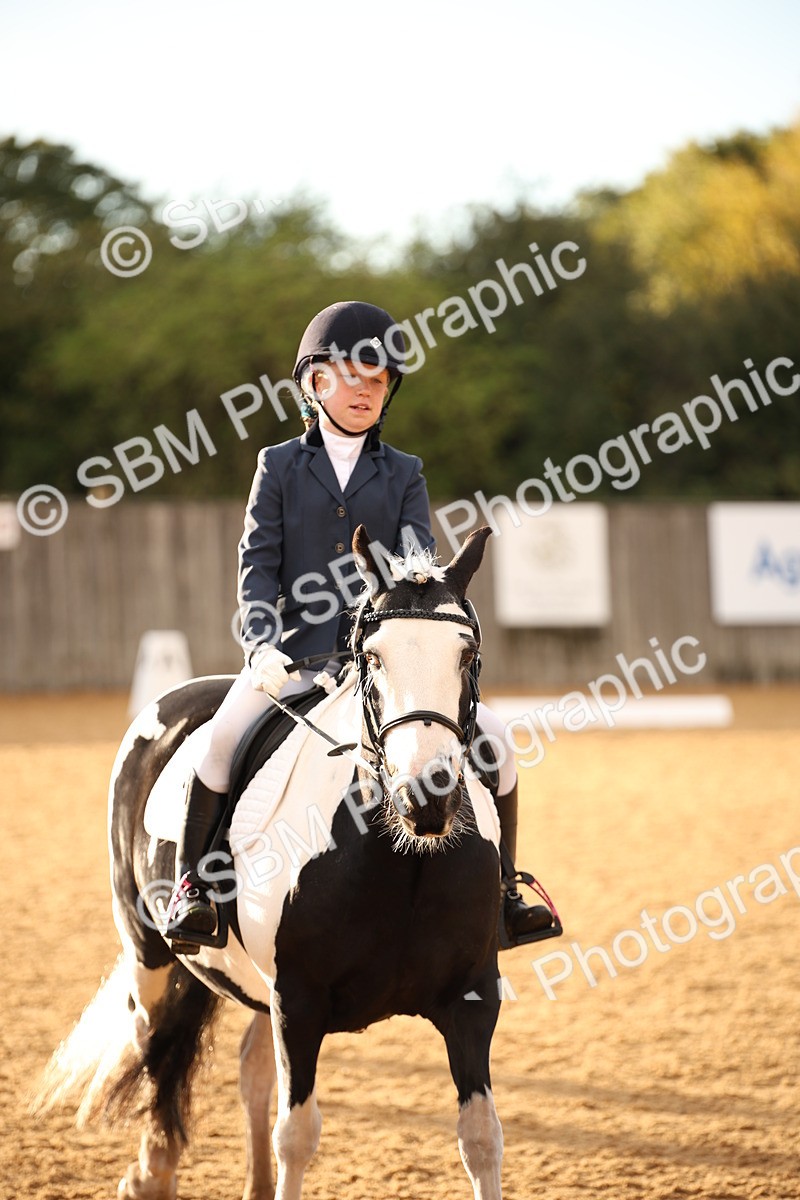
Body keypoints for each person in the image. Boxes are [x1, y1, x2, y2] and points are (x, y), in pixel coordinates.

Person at [165, 300, 553, 950]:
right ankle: (193, 892)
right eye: (352, 377)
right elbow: (258, 561)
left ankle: (507, 892)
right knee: (217, 745)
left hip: (381, 670)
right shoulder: (278, 465)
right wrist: (259, 641)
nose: (365, 392)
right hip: (293, 661)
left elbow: (414, 568)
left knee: (499, 742)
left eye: (377, 382)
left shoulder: (403, 472)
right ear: (315, 382)